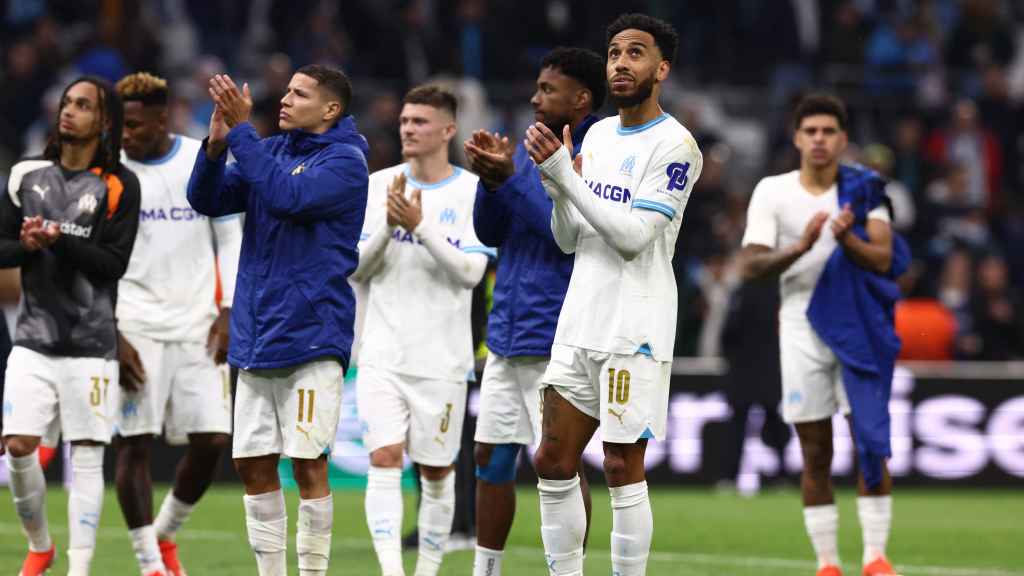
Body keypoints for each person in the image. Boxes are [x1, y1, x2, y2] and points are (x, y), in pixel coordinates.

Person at [524, 14, 703, 576]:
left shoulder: (676, 145)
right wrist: (558, 189)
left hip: (635, 328)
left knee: (622, 465)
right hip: (581, 318)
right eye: (614, 53)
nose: (621, 63)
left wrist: (566, 178)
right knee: (552, 458)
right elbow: (568, 238)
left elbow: (632, 238)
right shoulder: (598, 135)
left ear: (661, 69)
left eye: (635, 53)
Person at [186, 64, 369, 576]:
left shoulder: (345, 162)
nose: (285, 99)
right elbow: (206, 200)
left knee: (307, 463)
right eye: (287, 90)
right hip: (257, 333)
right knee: (251, 462)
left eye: (299, 94)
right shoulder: (270, 151)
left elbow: (289, 198)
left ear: (330, 109)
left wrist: (243, 133)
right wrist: (216, 147)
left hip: (312, 335)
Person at [739, 93, 903, 576]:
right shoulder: (772, 191)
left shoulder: (864, 188)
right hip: (800, 327)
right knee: (815, 450)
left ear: (843, 139)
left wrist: (846, 238)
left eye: (828, 131)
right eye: (810, 131)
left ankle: (875, 557)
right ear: (796, 138)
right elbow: (751, 265)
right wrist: (802, 246)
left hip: (858, 327)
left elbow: (884, 258)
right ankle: (827, 563)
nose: (819, 139)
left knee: (869, 441)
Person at [463, 46, 604, 576]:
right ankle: (486, 570)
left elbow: (560, 232)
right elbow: (489, 232)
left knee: (560, 463)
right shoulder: (527, 151)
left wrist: (510, 179)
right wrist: (489, 180)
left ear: (580, 98)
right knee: (491, 457)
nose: (534, 97)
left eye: (548, 89)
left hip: (559, 334)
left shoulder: (597, 154)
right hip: (507, 332)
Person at [0, 76, 141, 576]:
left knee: (85, 457)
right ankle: (40, 546)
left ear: (104, 121)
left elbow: (113, 265)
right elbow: (1, 248)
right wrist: (26, 246)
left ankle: (79, 569)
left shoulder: (119, 184)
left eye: (83, 105)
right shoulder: (26, 175)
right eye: (66, 102)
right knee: (18, 447)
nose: (69, 111)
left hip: (91, 344)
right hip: (33, 339)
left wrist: (59, 240)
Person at [352, 84, 491, 576]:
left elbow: (471, 273)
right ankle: (393, 571)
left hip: (443, 360)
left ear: (448, 130)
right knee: (385, 457)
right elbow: (357, 269)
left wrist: (421, 227)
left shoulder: (472, 191)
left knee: (436, 470)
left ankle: (427, 569)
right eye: (405, 121)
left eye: (420, 122)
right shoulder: (379, 185)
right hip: (383, 352)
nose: (408, 129)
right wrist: (389, 228)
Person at [113, 71, 242, 576]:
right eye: (120, 125)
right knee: (135, 443)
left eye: (135, 125)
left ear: (162, 118)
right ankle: (150, 564)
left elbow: (229, 236)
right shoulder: (110, 171)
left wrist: (229, 309)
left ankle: (164, 534)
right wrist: (112, 331)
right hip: (134, 324)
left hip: (199, 324)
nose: (125, 135)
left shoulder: (199, 158)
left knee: (212, 440)